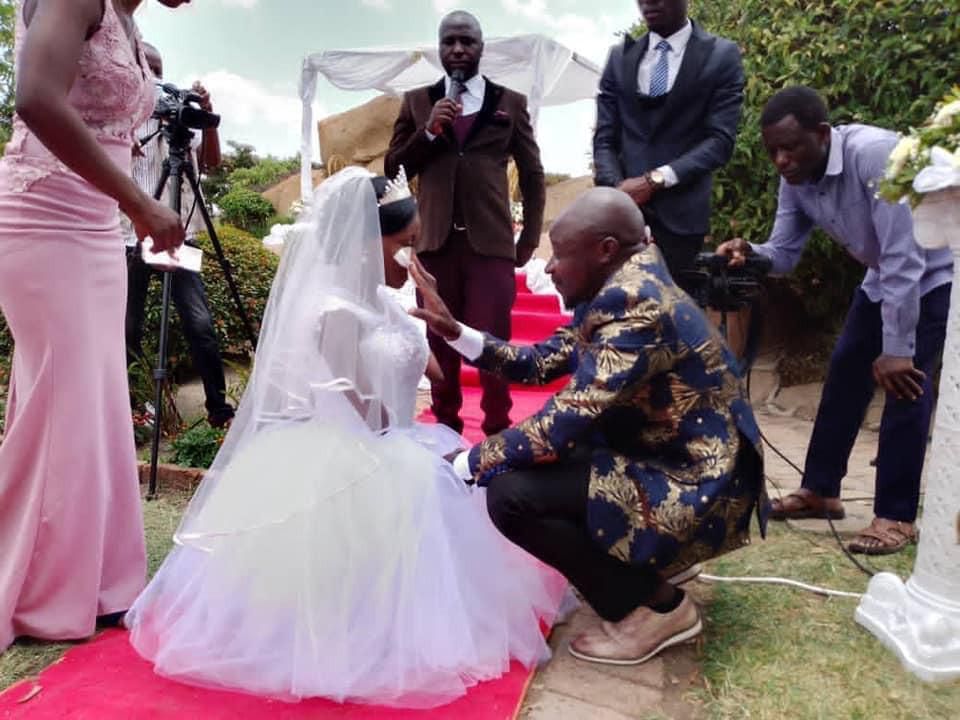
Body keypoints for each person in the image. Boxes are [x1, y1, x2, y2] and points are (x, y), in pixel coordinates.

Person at [125, 167, 562, 708]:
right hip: (356, 449)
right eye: (404, 244)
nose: (412, 256)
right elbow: (373, 418)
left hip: (391, 434)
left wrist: (425, 317)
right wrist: (425, 444)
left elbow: (435, 376)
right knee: (417, 502)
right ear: (363, 244)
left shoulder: (382, 299)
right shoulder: (335, 314)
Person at [411, 187, 767, 666]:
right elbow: (541, 362)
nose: (550, 268)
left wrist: (463, 465)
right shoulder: (618, 286)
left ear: (605, 249)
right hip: (666, 457)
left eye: (560, 254)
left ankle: (656, 607)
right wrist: (456, 331)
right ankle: (650, 568)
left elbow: (558, 425)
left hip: (698, 485)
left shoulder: (638, 307)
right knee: (539, 468)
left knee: (512, 495)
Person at [0, 0, 189, 654]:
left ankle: (100, 582)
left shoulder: (130, 25)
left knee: (96, 406)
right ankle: (39, 591)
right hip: (42, 218)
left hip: (99, 228)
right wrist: (140, 202)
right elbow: (35, 99)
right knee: (64, 404)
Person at [717, 86, 952, 555]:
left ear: (823, 134)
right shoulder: (795, 178)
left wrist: (897, 349)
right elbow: (784, 254)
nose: (781, 160)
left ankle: (896, 516)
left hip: (935, 275)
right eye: (772, 151)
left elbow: (905, 258)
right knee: (845, 374)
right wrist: (749, 253)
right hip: (883, 277)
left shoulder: (877, 156)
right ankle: (821, 491)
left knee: (906, 386)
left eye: (790, 148)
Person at [385, 10, 546, 437]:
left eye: (467, 41)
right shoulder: (417, 101)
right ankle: (446, 433)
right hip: (434, 246)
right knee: (439, 343)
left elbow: (532, 174)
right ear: (439, 48)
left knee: (493, 345)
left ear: (481, 48)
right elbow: (394, 168)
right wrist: (429, 132)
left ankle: (497, 433)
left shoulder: (510, 102)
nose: (457, 49)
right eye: (449, 41)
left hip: (491, 246)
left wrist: (530, 238)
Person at [123, 43, 235, 428]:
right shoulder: (122, 115)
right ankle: (134, 409)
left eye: (159, 70)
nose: (155, 77)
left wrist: (205, 116)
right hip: (130, 237)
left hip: (177, 236)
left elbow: (212, 163)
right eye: (147, 68)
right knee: (128, 328)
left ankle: (219, 408)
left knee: (199, 323)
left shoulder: (179, 116)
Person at [593, 0, 744, 279]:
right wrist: (618, 194)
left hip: (680, 227)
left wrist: (655, 180)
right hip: (617, 224)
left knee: (672, 306)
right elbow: (604, 139)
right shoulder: (619, 58)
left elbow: (720, 141)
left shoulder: (721, 55)